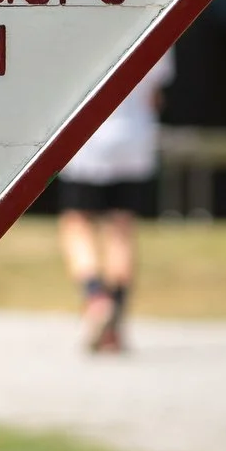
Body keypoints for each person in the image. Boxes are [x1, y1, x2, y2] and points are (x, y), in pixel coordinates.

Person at [57, 49, 175, 352]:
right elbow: (155, 94)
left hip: (89, 136)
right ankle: (115, 319)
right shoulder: (157, 14)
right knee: (121, 227)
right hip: (135, 137)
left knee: (77, 222)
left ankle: (97, 298)